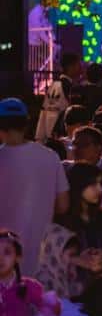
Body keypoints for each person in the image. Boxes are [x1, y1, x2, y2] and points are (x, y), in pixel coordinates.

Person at [0, 98, 70, 259]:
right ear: (26, 124)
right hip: (41, 256)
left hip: (4, 259)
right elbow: (63, 206)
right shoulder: (50, 157)